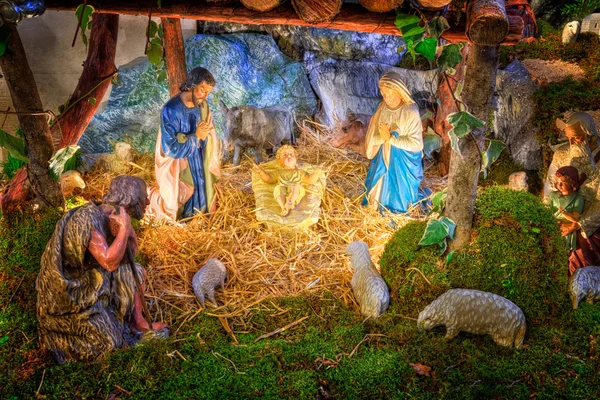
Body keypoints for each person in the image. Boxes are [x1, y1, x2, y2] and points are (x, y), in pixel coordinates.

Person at [36, 176, 167, 364]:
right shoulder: (87, 219)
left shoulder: (114, 216)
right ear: (131, 198)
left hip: (96, 277)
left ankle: (137, 322)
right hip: (73, 292)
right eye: (143, 197)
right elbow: (109, 262)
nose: (147, 201)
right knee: (109, 341)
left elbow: (130, 256)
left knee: (135, 272)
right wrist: (124, 230)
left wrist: (126, 231)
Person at [148, 67, 222, 221]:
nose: (205, 95)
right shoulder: (171, 110)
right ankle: (184, 218)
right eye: (202, 89)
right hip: (180, 164)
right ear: (192, 85)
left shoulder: (203, 106)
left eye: (208, 92)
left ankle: (201, 217)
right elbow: (170, 148)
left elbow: (209, 132)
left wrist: (206, 135)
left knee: (203, 188)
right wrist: (196, 137)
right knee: (181, 195)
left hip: (200, 159)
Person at [362, 71, 425, 213]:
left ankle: (397, 207)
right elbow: (375, 137)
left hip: (402, 165)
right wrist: (383, 139)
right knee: (377, 189)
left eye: (389, 94)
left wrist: (391, 139)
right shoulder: (382, 108)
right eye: (383, 94)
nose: (386, 98)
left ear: (399, 92)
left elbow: (417, 144)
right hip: (382, 162)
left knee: (400, 194)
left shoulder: (410, 111)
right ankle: (377, 204)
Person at [253, 145, 324, 216]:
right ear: (279, 160)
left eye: (291, 154)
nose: (288, 156)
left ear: (296, 157)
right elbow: (268, 179)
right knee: (278, 188)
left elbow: (310, 181)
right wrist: (261, 172)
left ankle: (290, 202)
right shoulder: (279, 172)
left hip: (295, 189)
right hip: (283, 187)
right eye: (285, 155)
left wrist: (317, 172)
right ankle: (283, 207)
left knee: (296, 187)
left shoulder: (299, 172)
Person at [545, 166, 589, 275]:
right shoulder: (553, 196)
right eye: (557, 182)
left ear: (571, 183)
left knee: (564, 253)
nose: (559, 185)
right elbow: (546, 211)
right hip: (554, 225)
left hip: (568, 230)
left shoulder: (578, 198)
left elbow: (575, 218)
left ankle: (563, 273)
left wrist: (564, 213)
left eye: (563, 183)